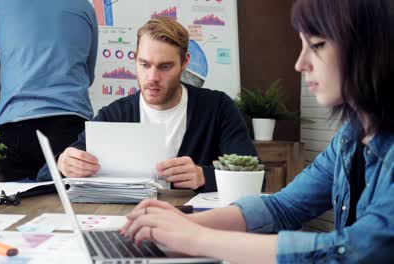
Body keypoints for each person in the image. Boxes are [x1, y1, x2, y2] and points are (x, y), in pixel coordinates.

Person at [119, 0, 394, 262]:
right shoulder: (349, 138)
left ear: (370, 46)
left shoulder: (216, 106)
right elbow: (282, 206)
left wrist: (196, 238)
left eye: (318, 45)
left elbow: (355, 251)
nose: (300, 64)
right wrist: (184, 223)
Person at [37, 17, 257, 192]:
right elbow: (45, 175)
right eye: (144, 64)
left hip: (196, 225)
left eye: (165, 67)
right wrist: (63, 165)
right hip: (128, 223)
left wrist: (204, 176)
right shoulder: (115, 114)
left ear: (185, 62)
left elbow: (254, 176)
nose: (152, 77)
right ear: (135, 59)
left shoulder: (218, 108)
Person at [0, 0, 98, 181]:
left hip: (17, 130)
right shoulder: (84, 6)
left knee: (19, 206)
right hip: (72, 127)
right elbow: (88, 74)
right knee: (66, 205)